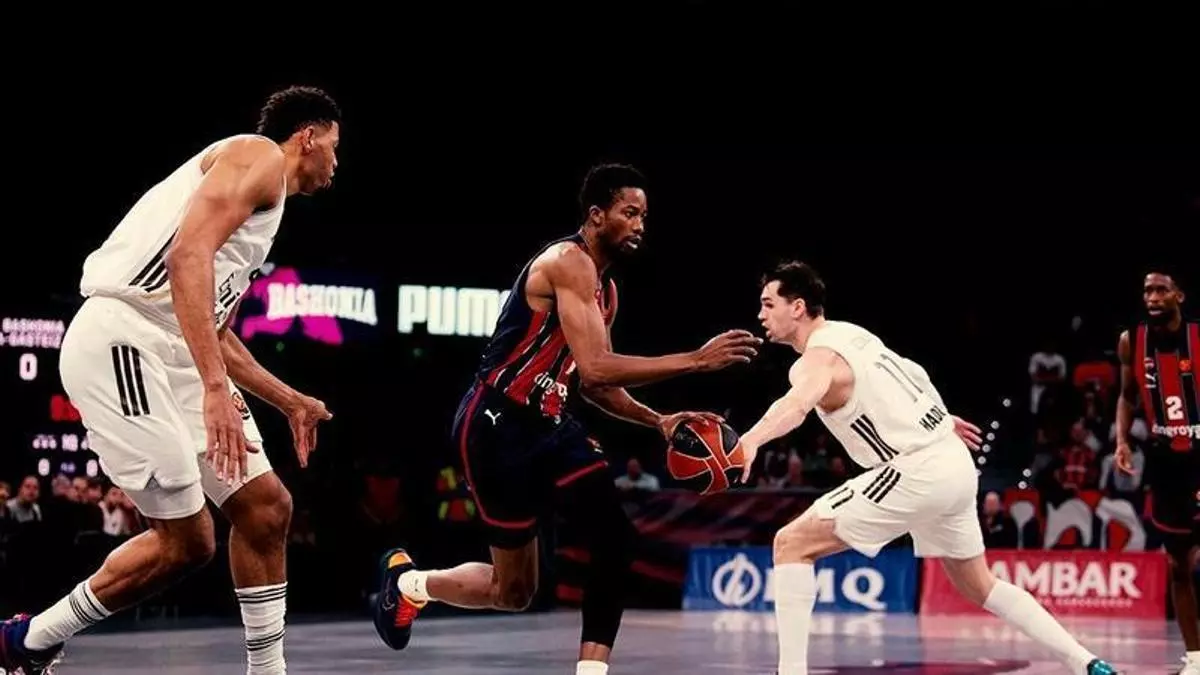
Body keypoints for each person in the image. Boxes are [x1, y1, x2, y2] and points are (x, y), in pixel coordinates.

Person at [0, 85, 339, 675]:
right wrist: (214, 388)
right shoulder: (258, 155)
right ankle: (26, 639)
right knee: (188, 542)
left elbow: (216, 331)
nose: (337, 162)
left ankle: (269, 671)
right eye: (335, 146)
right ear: (307, 137)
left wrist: (289, 401)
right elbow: (186, 256)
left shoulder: (265, 212)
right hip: (124, 338)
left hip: (177, 347)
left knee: (266, 508)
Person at [372, 163, 761, 674]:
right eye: (629, 213)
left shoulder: (607, 291)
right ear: (597, 215)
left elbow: (596, 385)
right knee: (513, 592)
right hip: (496, 423)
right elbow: (598, 365)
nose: (640, 225)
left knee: (615, 539)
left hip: (551, 426)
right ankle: (409, 584)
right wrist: (696, 360)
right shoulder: (567, 261)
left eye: (644, 216)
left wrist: (659, 421)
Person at [736, 261, 1119, 675]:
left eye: (768, 304)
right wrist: (940, 416)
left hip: (916, 469)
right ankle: (1087, 662)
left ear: (797, 307)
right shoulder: (853, 333)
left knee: (791, 544)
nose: (761, 314)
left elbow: (796, 405)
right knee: (979, 585)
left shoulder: (815, 360)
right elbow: (913, 372)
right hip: (953, 462)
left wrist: (750, 441)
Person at [1115, 268, 1198, 675]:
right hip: (1166, 466)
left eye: (1161, 290)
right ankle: (1196, 659)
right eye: (1147, 290)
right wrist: (1122, 440)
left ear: (1178, 295)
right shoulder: (1131, 341)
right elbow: (1127, 396)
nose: (1152, 297)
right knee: (1178, 566)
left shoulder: (1198, 338)